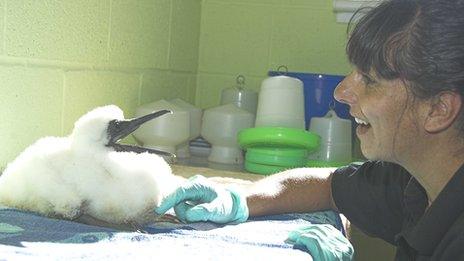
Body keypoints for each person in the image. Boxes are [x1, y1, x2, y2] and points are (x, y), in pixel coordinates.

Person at [156, 0, 464, 259]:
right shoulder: (412, 183)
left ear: (438, 110)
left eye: (369, 79)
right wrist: (240, 200)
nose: (341, 92)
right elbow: (329, 185)